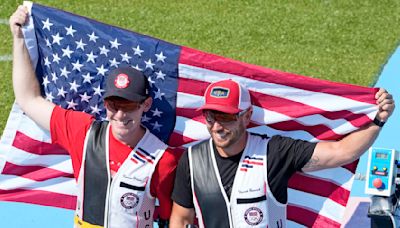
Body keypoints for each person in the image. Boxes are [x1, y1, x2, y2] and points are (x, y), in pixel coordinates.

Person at [10, 6, 182, 228]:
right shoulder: (82, 132)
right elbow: (28, 99)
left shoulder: (163, 159)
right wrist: (18, 39)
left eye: (129, 106)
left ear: (146, 105)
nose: (120, 115)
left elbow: (173, 218)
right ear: (104, 103)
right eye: (113, 105)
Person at [169, 79, 395, 227]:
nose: (217, 126)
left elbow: (341, 152)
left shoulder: (274, 152)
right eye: (210, 116)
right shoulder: (191, 160)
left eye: (227, 117)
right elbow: (181, 218)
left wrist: (378, 119)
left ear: (247, 117)